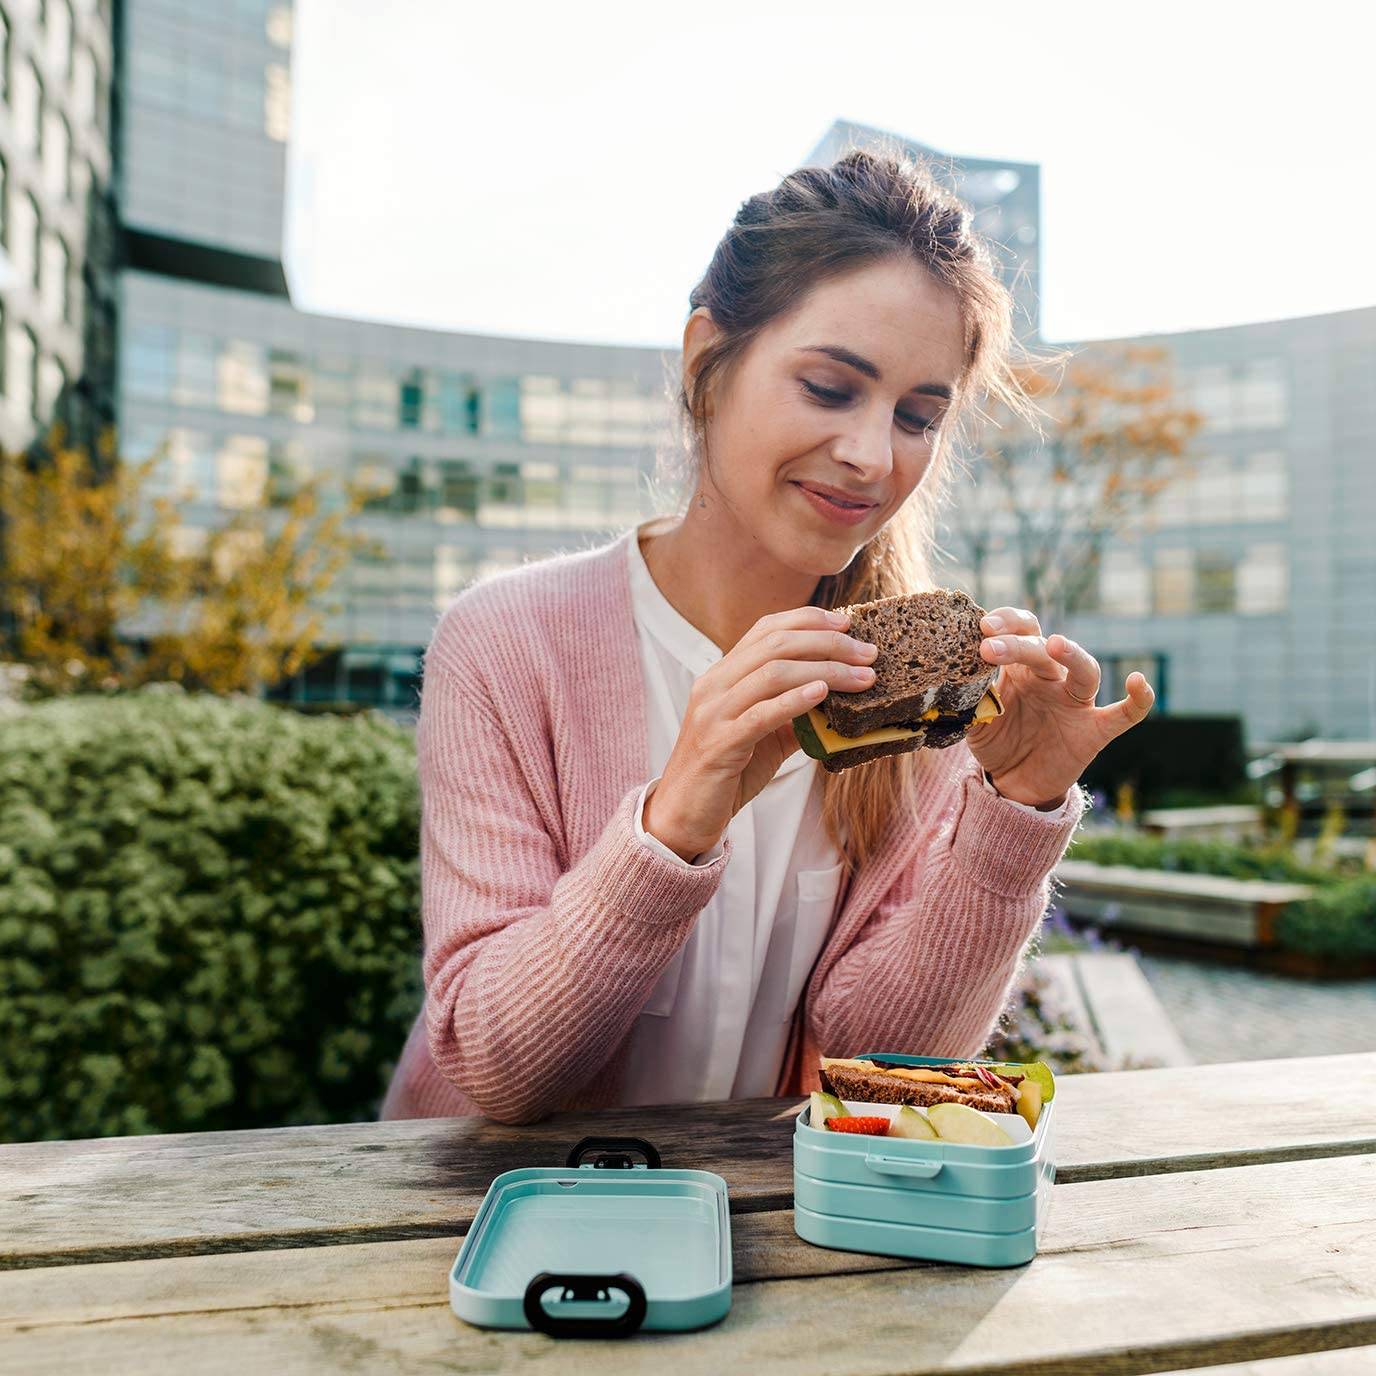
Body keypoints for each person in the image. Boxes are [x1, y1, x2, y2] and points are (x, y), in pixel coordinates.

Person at [379, 146, 1154, 1124]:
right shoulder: (505, 641)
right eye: (830, 388)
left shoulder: (919, 680)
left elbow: (884, 1057)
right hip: (486, 1227)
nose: (872, 456)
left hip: (764, 1239)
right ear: (709, 357)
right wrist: (673, 819)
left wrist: (1014, 807)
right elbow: (493, 1065)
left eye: (917, 416)